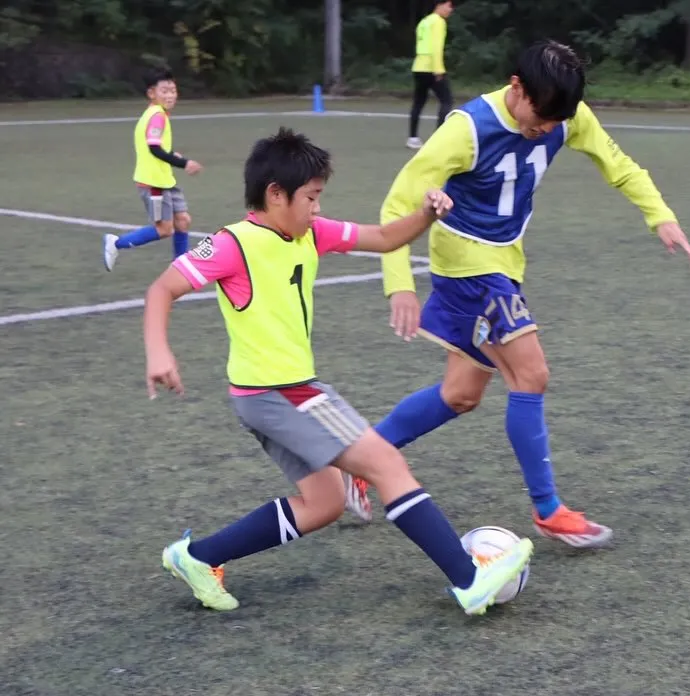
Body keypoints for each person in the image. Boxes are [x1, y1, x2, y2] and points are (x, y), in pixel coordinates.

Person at [144, 127, 532, 614]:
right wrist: (159, 352)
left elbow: (387, 237)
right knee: (386, 462)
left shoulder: (311, 232)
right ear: (275, 194)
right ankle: (468, 579)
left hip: (271, 395)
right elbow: (161, 289)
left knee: (323, 504)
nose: (318, 208)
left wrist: (428, 213)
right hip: (280, 393)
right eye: (311, 197)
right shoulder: (232, 244)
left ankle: (198, 557)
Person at [351, 40, 690, 549]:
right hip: (468, 267)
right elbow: (398, 204)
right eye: (539, 119)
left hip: (504, 263)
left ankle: (362, 461)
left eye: (556, 123)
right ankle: (548, 510)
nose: (546, 130)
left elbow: (617, 163)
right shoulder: (465, 129)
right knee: (531, 374)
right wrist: (399, 285)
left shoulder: (564, 114)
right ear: (516, 87)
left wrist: (660, 215)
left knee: (461, 395)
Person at [104, 68, 203, 271]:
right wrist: (185, 164)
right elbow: (154, 149)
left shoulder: (158, 115)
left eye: (173, 91)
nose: (170, 95)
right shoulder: (156, 116)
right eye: (164, 91)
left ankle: (180, 267)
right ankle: (116, 243)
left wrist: (176, 156)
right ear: (152, 94)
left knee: (183, 220)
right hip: (153, 183)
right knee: (165, 229)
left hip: (165, 180)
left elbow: (160, 148)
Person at [407, 0, 454, 150]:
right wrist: (439, 69)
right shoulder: (439, 22)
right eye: (448, 5)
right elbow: (436, 47)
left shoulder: (424, 21)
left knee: (418, 102)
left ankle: (412, 137)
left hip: (418, 66)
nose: (450, 9)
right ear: (439, 5)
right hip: (432, 67)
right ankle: (438, 139)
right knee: (447, 100)